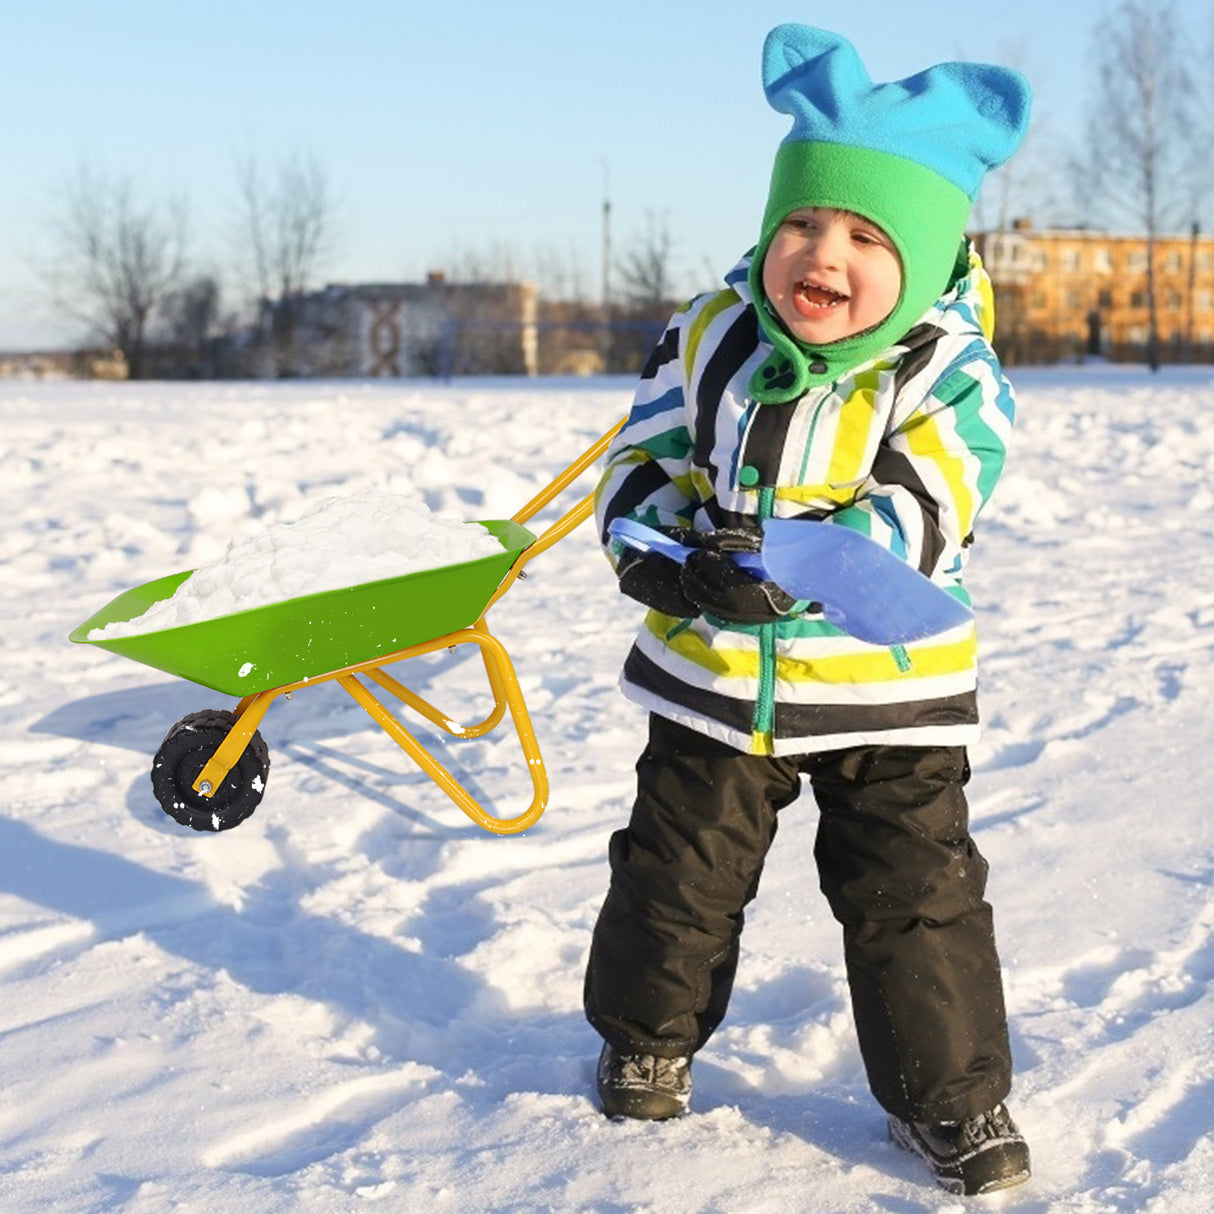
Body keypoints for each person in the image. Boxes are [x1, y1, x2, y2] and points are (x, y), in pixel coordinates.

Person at [584, 23, 1033, 1198]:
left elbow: (929, 498)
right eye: (801, 222)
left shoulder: (944, 372)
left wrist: (799, 565)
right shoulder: (710, 332)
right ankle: (645, 1033)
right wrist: (653, 551)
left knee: (913, 896)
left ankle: (951, 1097)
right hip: (716, 674)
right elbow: (647, 453)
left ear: (924, 252)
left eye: (864, 235)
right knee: (673, 871)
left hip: (883, 689)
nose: (820, 253)